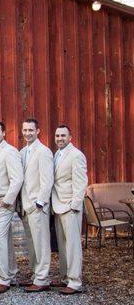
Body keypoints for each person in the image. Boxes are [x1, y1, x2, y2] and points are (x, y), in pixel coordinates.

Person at [0, 121, 23, 294]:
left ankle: (3, 279)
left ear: (4, 132)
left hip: (3, 203)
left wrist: (7, 201)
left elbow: (17, 179)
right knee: (5, 240)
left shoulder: (10, 151)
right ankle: (12, 273)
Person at [51, 125, 87, 295]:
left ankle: (75, 281)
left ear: (70, 137)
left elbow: (81, 183)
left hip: (70, 207)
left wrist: (74, 206)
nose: (59, 138)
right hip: (58, 205)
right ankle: (65, 277)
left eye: (63, 135)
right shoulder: (56, 154)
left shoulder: (76, 155)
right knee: (63, 245)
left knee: (73, 245)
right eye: (57, 135)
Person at [19, 118, 54, 293]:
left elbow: (47, 180)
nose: (27, 133)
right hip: (25, 206)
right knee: (31, 244)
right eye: (25, 130)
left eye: (31, 130)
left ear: (38, 131)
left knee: (41, 243)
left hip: (37, 205)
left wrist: (40, 203)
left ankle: (43, 279)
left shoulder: (44, 151)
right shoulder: (22, 151)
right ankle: (36, 274)